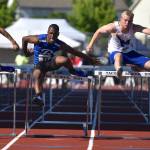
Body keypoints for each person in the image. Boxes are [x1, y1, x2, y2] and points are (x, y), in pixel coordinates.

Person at [22, 24, 100, 106]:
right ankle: (39, 97)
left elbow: (74, 52)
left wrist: (90, 59)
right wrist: (26, 53)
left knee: (64, 59)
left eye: (54, 34)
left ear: (58, 34)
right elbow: (24, 39)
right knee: (37, 74)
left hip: (50, 63)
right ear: (47, 32)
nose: (52, 36)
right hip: (39, 65)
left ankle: (73, 71)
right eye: (50, 33)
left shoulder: (59, 44)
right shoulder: (38, 39)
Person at [86, 10, 150, 78]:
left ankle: (137, 67)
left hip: (129, 53)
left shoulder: (133, 27)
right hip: (115, 53)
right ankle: (119, 70)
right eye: (125, 20)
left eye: (130, 21)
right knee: (118, 55)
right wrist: (90, 45)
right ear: (121, 19)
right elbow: (99, 31)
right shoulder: (113, 27)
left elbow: (145, 29)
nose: (127, 23)